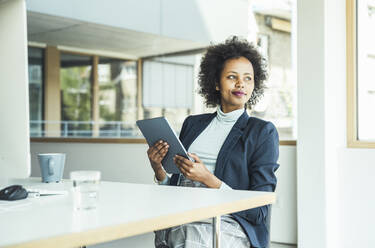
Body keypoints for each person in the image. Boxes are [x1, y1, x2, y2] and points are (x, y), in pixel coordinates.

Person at [147, 36, 279, 248]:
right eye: (232, 77)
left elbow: (259, 209)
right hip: (184, 215)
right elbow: (174, 188)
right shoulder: (193, 124)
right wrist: (159, 170)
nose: (240, 84)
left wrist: (208, 179)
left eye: (248, 78)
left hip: (228, 222)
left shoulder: (262, 132)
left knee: (189, 234)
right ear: (216, 83)